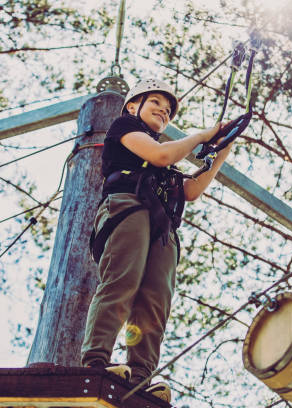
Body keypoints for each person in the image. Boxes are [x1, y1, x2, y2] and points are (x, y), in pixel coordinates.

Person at [80, 78, 242, 403]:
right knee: (122, 282)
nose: (163, 112)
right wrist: (202, 136)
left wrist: (220, 154)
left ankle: (140, 378)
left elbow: (191, 190)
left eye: (167, 111)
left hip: (162, 224)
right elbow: (161, 155)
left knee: (154, 300)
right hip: (128, 207)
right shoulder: (124, 129)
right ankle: (95, 361)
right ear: (132, 105)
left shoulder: (163, 161)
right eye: (155, 103)